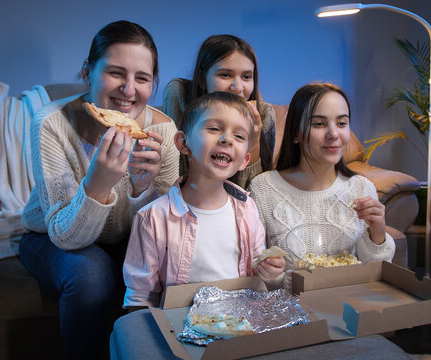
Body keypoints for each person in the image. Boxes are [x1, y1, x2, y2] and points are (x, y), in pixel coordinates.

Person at [18, 20, 179, 359]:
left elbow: (163, 235)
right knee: (92, 275)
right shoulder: (51, 124)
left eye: (142, 78)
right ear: (87, 72)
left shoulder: (163, 134)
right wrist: (98, 184)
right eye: (116, 73)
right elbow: (65, 236)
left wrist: (142, 189)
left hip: (127, 236)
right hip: (52, 233)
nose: (129, 89)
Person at [123, 91, 285, 308]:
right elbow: (140, 298)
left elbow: (258, 272)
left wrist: (271, 271)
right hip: (180, 324)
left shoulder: (248, 209)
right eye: (214, 129)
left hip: (241, 323)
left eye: (239, 136)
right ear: (183, 143)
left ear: (244, 160)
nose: (226, 139)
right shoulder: (152, 218)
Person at [248, 83, 395, 289]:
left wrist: (378, 232)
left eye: (342, 123)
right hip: (290, 311)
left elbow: (376, 273)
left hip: (349, 305)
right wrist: (271, 272)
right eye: (318, 124)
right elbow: (256, 271)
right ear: (296, 133)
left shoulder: (362, 188)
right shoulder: (263, 188)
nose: (333, 134)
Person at [163, 34, 276, 189]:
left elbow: (254, 195)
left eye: (246, 77)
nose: (238, 87)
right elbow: (172, 171)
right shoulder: (180, 94)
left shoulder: (264, 114)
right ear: (202, 78)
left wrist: (253, 140)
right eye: (225, 75)